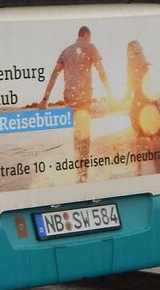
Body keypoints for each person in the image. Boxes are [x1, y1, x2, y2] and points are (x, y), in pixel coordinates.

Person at [39, 25, 112, 181]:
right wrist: (110, 94)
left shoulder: (66, 51)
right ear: (86, 34)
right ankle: (83, 176)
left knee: (77, 135)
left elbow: (54, 75)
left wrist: (45, 99)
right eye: (90, 37)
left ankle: (79, 173)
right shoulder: (90, 46)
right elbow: (101, 71)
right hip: (84, 98)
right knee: (84, 136)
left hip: (70, 99)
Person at [121, 40, 160, 174]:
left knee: (139, 144)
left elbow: (129, 91)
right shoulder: (144, 65)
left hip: (137, 106)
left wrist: (119, 102)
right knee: (154, 152)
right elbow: (148, 88)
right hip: (148, 105)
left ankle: (139, 175)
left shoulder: (130, 68)